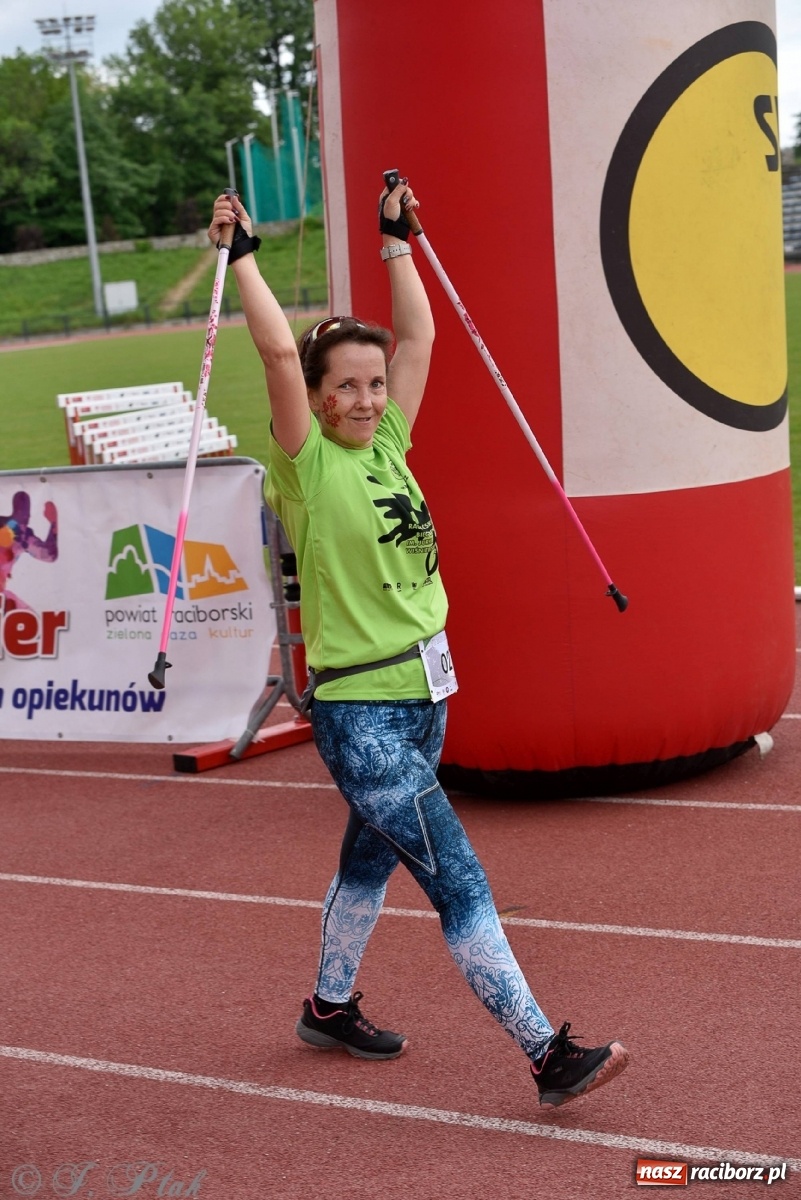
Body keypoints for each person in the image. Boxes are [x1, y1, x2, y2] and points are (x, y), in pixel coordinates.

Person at [208, 181, 629, 1109]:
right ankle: (544, 1052)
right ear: (313, 402)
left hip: (427, 694)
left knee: (367, 861)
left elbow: (423, 342)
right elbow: (278, 348)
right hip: (360, 714)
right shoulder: (305, 465)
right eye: (343, 387)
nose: (363, 398)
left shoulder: (390, 442)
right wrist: (241, 254)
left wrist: (399, 240)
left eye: (370, 382)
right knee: (461, 881)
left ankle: (327, 1007)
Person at [0, 491, 58, 613]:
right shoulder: (18, 532)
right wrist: (53, 522)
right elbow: (48, 554)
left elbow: (48, 555)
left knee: (31, 623)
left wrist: (53, 522)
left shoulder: (18, 532)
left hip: (5, 602)